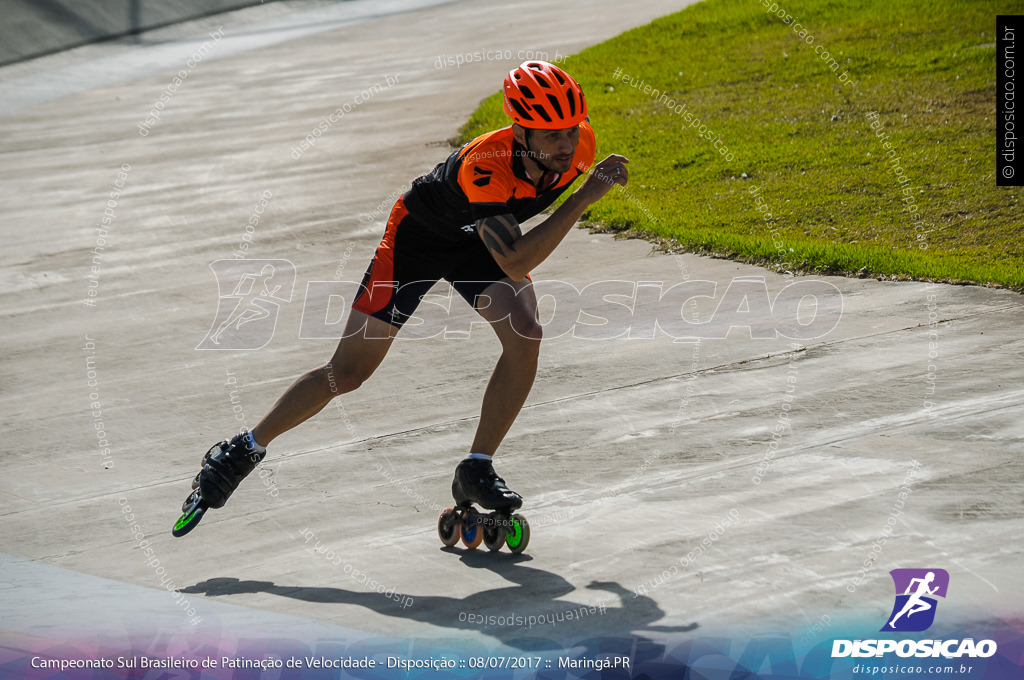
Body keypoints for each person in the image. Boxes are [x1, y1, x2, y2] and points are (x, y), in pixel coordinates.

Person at [190, 60, 630, 519]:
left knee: (525, 333)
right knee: (348, 373)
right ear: (521, 133)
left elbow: (508, 247)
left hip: (477, 242)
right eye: (552, 135)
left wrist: (576, 181)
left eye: (572, 131)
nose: (567, 144)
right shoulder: (486, 165)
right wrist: (582, 198)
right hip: (418, 241)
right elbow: (515, 258)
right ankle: (245, 448)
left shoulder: (582, 147)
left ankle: (476, 468)